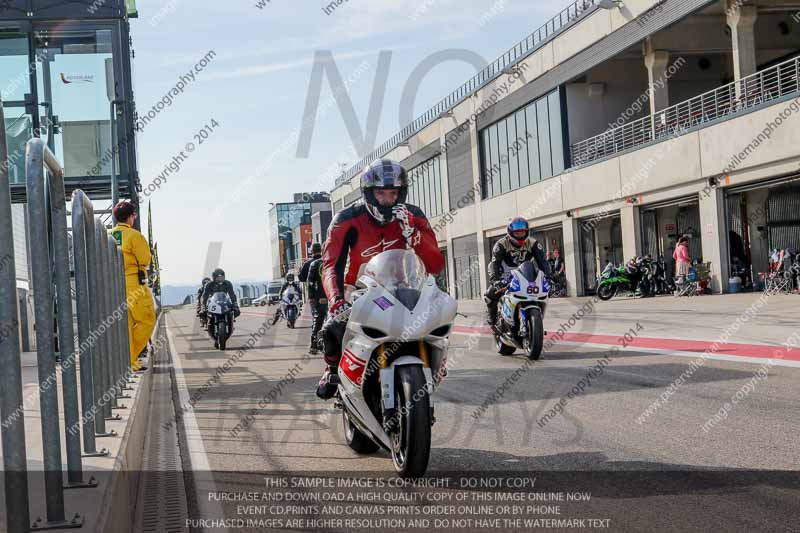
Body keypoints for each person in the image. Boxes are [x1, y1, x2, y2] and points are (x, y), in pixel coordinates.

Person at [316, 159, 444, 399]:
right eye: (381, 193)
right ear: (369, 193)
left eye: (394, 193)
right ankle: (332, 369)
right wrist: (335, 301)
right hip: (356, 289)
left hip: (403, 288)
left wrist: (413, 233)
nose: (388, 199)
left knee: (437, 322)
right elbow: (331, 265)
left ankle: (431, 367)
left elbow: (435, 264)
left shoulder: (413, 216)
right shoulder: (346, 219)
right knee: (331, 328)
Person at [110, 201, 156, 372]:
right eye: (134, 216)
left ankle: (129, 361)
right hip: (134, 284)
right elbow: (145, 259)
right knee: (147, 320)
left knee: (126, 325)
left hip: (114, 285)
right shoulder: (134, 236)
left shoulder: (108, 234)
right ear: (131, 217)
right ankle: (129, 359)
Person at [485, 217, 550, 327]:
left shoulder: (533, 243)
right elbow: (494, 264)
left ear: (527, 231)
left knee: (544, 291)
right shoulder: (501, 244)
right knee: (490, 295)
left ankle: (535, 317)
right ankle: (492, 319)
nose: (520, 234)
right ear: (510, 232)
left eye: (523, 232)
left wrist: (549, 277)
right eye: (517, 232)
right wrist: (496, 280)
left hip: (525, 273)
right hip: (505, 274)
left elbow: (543, 262)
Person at [299, 243, 327, 354]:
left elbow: (302, 278)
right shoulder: (328, 261)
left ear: (311, 251)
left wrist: (310, 296)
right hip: (330, 295)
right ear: (321, 250)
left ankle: (314, 344)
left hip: (316, 296)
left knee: (317, 318)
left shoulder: (309, 264)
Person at [200, 268, 240, 339]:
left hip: (224, 302)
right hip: (213, 303)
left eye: (222, 277)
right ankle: (207, 323)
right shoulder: (209, 284)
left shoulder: (228, 283)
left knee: (236, 311)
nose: (221, 278)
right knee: (202, 313)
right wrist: (203, 306)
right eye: (219, 277)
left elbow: (232, 294)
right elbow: (204, 296)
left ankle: (231, 322)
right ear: (214, 277)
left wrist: (235, 303)